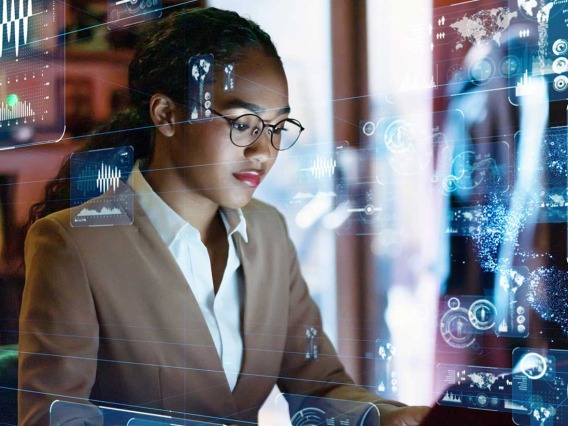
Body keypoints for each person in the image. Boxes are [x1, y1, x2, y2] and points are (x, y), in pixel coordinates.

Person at [18, 7, 429, 425]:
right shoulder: (74, 244)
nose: (264, 151)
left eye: (277, 127)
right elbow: (56, 418)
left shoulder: (268, 231)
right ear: (166, 115)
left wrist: (387, 417)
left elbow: (318, 383)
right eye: (243, 123)